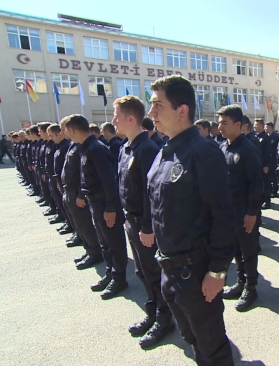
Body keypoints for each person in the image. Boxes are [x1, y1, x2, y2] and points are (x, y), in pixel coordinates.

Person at [146, 75, 234, 365]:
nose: (151, 112)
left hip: (195, 272)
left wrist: (218, 271)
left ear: (182, 110)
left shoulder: (203, 152)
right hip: (169, 269)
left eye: (158, 104)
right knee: (194, 340)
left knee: (213, 348)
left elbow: (223, 215)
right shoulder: (165, 151)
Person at [112, 95, 173, 348]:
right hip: (131, 221)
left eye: (116, 115)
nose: (113, 120)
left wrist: (148, 227)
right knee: (141, 271)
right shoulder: (125, 147)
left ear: (130, 118)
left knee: (153, 271)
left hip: (144, 225)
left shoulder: (147, 149)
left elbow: (152, 193)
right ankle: (152, 311)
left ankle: (164, 319)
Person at [63, 114, 129, 300]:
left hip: (104, 203)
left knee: (114, 243)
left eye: (66, 129)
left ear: (73, 129)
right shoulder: (85, 148)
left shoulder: (96, 149)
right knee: (104, 242)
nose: (65, 133)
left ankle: (119, 278)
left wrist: (110, 208)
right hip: (95, 202)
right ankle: (110, 273)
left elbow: (109, 181)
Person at [216, 104, 263, 312]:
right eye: (219, 123)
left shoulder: (248, 148)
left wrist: (252, 212)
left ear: (238, 124)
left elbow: (256, 183)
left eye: (224, 123)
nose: (220, 127)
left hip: (245, 209)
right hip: (229, 211)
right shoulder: (223, 146)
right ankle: (241, 281)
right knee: (236, 249)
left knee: (248, 251)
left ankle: (251, 287)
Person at [58, 118, 105, 270]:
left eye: (63, 129)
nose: (61, 132)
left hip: (77, 192)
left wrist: (80, 194)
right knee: (77, 223)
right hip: (69, 190)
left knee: (85, 224)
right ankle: (89, 249)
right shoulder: (73, 145)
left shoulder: (82, 147)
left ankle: (95, 251)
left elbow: (82, 174)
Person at [254, 118, 272, 209]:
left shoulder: (266, 138)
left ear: (261, 125)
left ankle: (267, 201)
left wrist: (266, 165)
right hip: (257, 164)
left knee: (266, 183)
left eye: (256, 125)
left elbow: (267, 152)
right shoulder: (256, 137)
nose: (254, 126)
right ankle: (261, 199)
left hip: (263, 164)